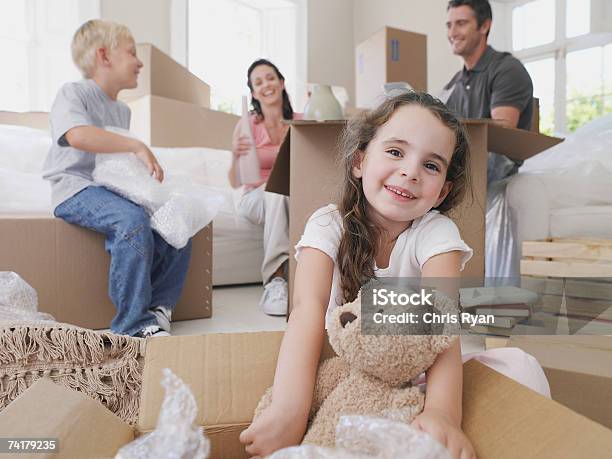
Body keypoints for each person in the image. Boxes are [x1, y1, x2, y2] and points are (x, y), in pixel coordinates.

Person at [240, 91, 477, 459]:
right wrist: (290, 410)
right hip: (337, 370)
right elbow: (307, 310)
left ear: (442, 191)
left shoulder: (436, 234)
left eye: (431, 165)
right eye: (396, 152)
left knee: (518, 370)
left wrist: (443, 414)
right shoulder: (328, 224)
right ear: (359, 161)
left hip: (403, 379)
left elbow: (441, 326)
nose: (411, 172)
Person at [42, 19, 192, 338]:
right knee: (132, 220)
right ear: (104, 56)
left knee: (178, 216)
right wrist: (137, 146)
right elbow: (78, 135)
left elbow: (116, 163)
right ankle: (131, 325)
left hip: (109, 189)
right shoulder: (74, 93)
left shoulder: (121, 111)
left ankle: (159, 307)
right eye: (132, 53)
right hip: (76, 188)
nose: (139, 62)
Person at [229, 59, 301, 316]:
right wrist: (236, 157)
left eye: (270, 78)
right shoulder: (248, 125)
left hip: (295, 195)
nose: (266, 85)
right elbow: (234, 182)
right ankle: (275, 280)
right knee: (276, 191)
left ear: (281, 82)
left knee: (285, 193)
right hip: (256, 198)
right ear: (253, 93)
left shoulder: (302, 122)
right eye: (258, 83)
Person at [443, 0, 534, 181]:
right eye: (449, 25)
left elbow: (499, 135)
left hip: (493, 180)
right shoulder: (456, 81)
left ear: (484, 26)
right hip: (463, 173)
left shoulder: (507, 69)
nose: (452, 33)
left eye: (461, 24)